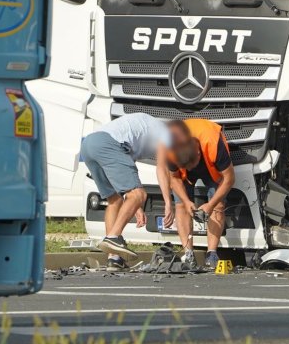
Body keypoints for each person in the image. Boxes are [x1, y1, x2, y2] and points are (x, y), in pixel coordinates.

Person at [80, 113, 172, 271]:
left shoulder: (144, 131)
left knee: (114, 200)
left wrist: (137, 207)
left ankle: (114, 258)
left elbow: (125, 171)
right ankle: (113, 237)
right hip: (108, 144)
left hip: (89, 145)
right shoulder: (166, 134)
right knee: (140, 195)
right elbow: (162, 169)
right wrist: (168, 203)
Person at [158, 119, 235, 270]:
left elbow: (230, 179)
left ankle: (212, 253)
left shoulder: (214, 144)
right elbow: (174, 178)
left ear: (198, 153)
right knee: (180, 204)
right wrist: (187, 202)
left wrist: (210, 204)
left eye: (191, 166)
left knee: (218, 203)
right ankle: (188, 254)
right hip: (183, 170)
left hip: (211, 165)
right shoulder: (170, 149)